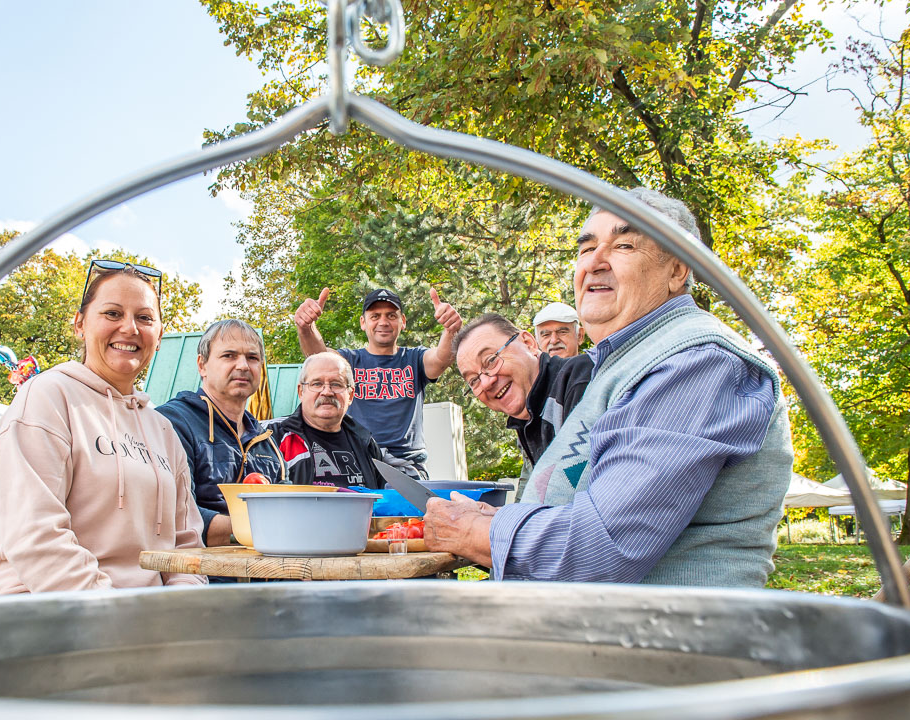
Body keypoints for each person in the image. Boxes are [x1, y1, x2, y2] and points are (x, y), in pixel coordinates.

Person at [425, 188, 793, 587]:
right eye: (586, 249)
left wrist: (476, 532)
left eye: (624, 244)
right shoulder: (625, 361)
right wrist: (494, 520)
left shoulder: (695, 361)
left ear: (677, 269)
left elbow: (600, 548)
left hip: (660, 637)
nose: (596, 262)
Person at [0, 259, 206, 596]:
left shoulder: (163, 430)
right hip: (40, 613)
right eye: (113, 314)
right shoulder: (46, 397)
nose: (130, 328)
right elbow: (34, 535)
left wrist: (181, 609)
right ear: (80, 324)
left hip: (145, 620)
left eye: (144, 318)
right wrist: (111, 614)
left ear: (158, 335)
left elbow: (186, 546)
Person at [293, 285, 463, 478]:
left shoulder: (415, 359)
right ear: (363, 322)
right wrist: (306, 327)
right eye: (375, 316)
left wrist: (451, 329)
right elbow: (319, 357)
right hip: (357, 462)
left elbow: (441, 358)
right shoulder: (349, 362)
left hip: (406, 468)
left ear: (403, 321)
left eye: (391, 315)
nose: (383, 322)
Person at [158, 319, 287, 548]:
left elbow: (290, 507)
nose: (243, 366)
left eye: (252, 358)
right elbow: (174, 514)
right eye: (229, 355)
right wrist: (264, 528)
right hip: (202, 576)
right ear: (202, 365)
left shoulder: (266, 441)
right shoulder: (172, 423)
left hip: (271, 577)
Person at [453, 314, 592, 466]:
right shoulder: (528, 416)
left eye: (491, 360)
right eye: (473, 380)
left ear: (528, 343)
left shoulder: (580, 380)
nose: (486, 383)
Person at [269, 351, 386, 488]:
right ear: (301, 392)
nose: (327, 392)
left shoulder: (365, 442)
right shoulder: (272, 437)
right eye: (317, 384)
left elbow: (381, 497)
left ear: (351, 395)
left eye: (336, 384)